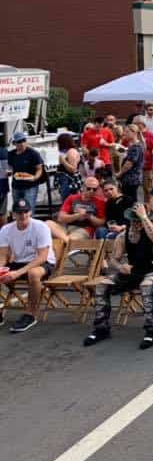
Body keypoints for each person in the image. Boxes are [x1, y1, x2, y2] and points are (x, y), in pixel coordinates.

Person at [83, 202, 153, 349]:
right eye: (133, 219)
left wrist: (144, 217)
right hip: (133, 272)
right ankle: (101, 328)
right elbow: (113, 259)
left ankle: (152, 330)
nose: (135, 222)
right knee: (102, 286)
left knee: (146, 286)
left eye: (138, 219)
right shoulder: (123, 235)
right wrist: (121, 267)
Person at [0, 199, 57, 332]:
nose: (23, 215)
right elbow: (2, 256)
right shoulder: (6, 229)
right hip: (20, 261)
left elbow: (42, 257)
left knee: (33, 273)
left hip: (44, 262)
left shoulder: (41, 227)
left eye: (26, 211)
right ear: (13, 214)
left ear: (30, 212)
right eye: (19, 212)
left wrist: (17, 273)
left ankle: (30, 314)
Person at [7, 132, 45, 210]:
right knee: (18, 209)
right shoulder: (11, 154)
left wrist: (34, 177)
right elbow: (10, 167)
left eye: (24, 140)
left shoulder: (33, 153)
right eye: (19, 141)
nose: (22, 143)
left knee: (28, 209)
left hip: (30, 186)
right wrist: (9, 172)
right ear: (14, 143)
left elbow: (39, 169)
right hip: (16, 186)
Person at [116, 124, 144, 202]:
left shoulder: (136, 147)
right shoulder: (133, 146)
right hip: (130, 178)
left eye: (127, 132)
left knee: (130, 201)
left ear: (134, 133)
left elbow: (129, 164)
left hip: (131, 179)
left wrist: (120, 173)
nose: (125, 133)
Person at [56, 133, 83, 201]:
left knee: (68, 201)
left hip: (69, 181)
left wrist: (63, 161)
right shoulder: (67, 151)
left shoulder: (71, 152)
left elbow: (73, 169)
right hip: (65, 180)